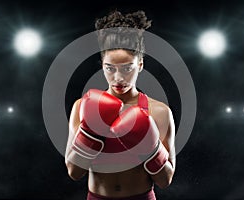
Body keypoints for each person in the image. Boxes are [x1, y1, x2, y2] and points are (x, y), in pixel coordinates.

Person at [65, 10, 176, 200]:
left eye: (127, 68)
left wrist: (152, 148)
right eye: (110, 68)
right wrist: (89, 134)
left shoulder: (159, 112)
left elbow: (165, 180)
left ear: (140, 64)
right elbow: (74, 172)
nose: (118, 78)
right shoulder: (82, 107)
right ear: (102, 65)